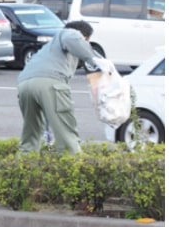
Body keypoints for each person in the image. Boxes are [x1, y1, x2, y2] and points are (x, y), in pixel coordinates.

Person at [17, 20, 114, 155]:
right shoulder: (70, 33)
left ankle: (23, 167)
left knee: (30, 136)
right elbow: (72, 37)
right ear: (84, 38)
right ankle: (73, 168)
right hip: (51, 81)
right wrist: (96, 60)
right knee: (66, 135)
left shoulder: (49, 48)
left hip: (24, 85)